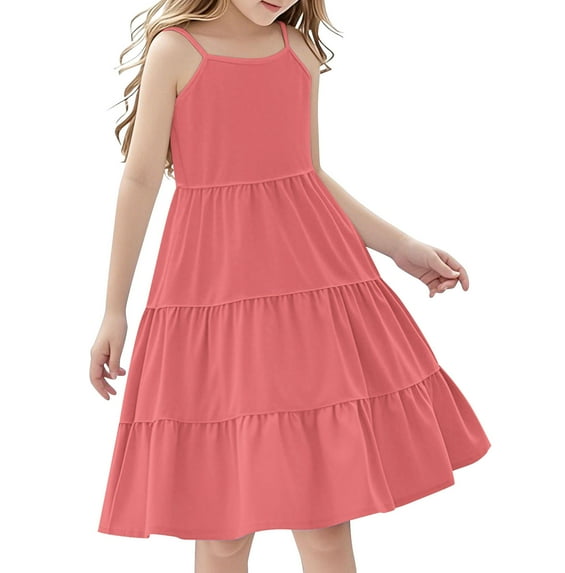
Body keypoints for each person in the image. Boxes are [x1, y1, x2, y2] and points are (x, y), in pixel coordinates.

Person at [90, 1, 491, 571]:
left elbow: (309, 174)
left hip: (310, 293)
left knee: (324, 518)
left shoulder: (297, 50)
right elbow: (140, 177)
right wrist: (114, 308)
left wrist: (401, 247)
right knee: (223, 527)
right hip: (212, 295)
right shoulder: (176, 50)